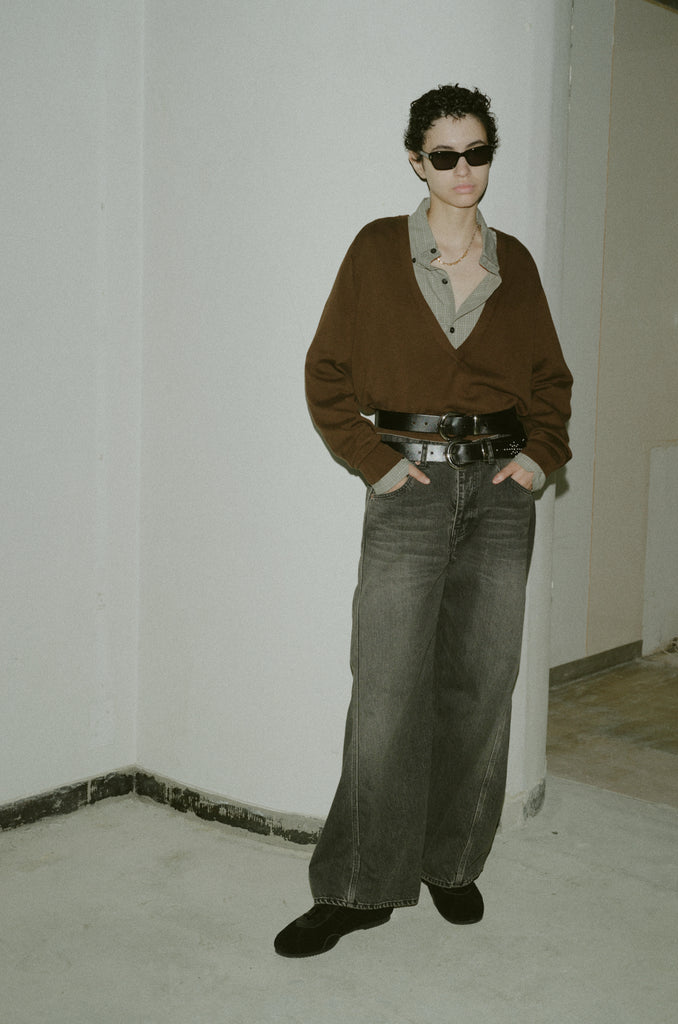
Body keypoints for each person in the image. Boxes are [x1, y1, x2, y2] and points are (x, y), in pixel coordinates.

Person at [274, 84, 572, 958]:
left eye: (476, 152)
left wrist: (539, 458)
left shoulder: (514, 262)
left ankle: (451, 861)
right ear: (416, 161)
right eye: (443, 155)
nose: (462, 170)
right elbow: (326, 372)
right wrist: (375, 462)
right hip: (410, 489)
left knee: (480, 685)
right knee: (386, 691)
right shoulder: (376, 250)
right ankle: (358, 885)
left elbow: (549, 381)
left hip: (501, 494)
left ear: (489, 155)